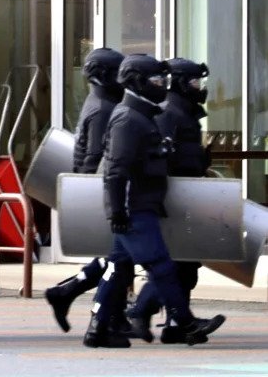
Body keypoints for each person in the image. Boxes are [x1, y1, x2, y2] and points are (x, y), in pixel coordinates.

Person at [84, 53, 224, 349]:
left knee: (118, 267)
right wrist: (117, 211)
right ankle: (185, 323)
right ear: (137, 82)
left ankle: (97, 329)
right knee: (161, 266)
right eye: (157, 80)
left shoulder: (139, 117)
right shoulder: (128, 119)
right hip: (135, 208)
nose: (162, 86)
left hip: (140, 204)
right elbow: (116, 171)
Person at [125, 58, 212, 342]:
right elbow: (161, 157)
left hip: (184, 197)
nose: (200, 88)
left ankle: (174, 324)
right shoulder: (169, 114)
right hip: (171, 200)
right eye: (195, 82)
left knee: (185, 266)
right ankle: (141, 310)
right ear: (180, 83)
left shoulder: (184, 112)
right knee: (174, 264)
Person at [44, 47, 125, 332]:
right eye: (118, 73)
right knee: (120, 257)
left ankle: (70, 295)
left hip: (96, 190)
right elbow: (96, 157)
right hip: (99, 190)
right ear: (103, 76)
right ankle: (107, 316)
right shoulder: (103, 108)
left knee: (117, 256)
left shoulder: (101, 101)